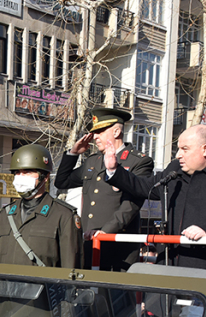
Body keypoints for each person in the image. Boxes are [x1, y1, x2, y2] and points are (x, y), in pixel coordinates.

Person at [101, 124, 206, 284]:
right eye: (178, 148)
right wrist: (114, 170)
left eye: (185, 149)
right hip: (167, 263)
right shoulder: (175, 169)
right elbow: (146, 187)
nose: (178, 155)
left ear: (205, 149)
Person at [55, 108, 154, 270]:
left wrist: (105, 232)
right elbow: (61, 182)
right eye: (94, 132)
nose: (95, 137)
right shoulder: (93, 161)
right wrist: (73, 153)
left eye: (100, 131)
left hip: (118, 245)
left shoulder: (138, 161)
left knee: (116, 294)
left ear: (116, 132)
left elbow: (131, 205)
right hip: (90, 243)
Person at [0, 143, 81, 269]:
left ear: (46, 177)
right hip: (7, 288)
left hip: (44, 288)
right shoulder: (3, 216)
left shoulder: (63, 216)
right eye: (17, 172)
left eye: (27, 172)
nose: (20, 177)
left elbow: (71, 269)